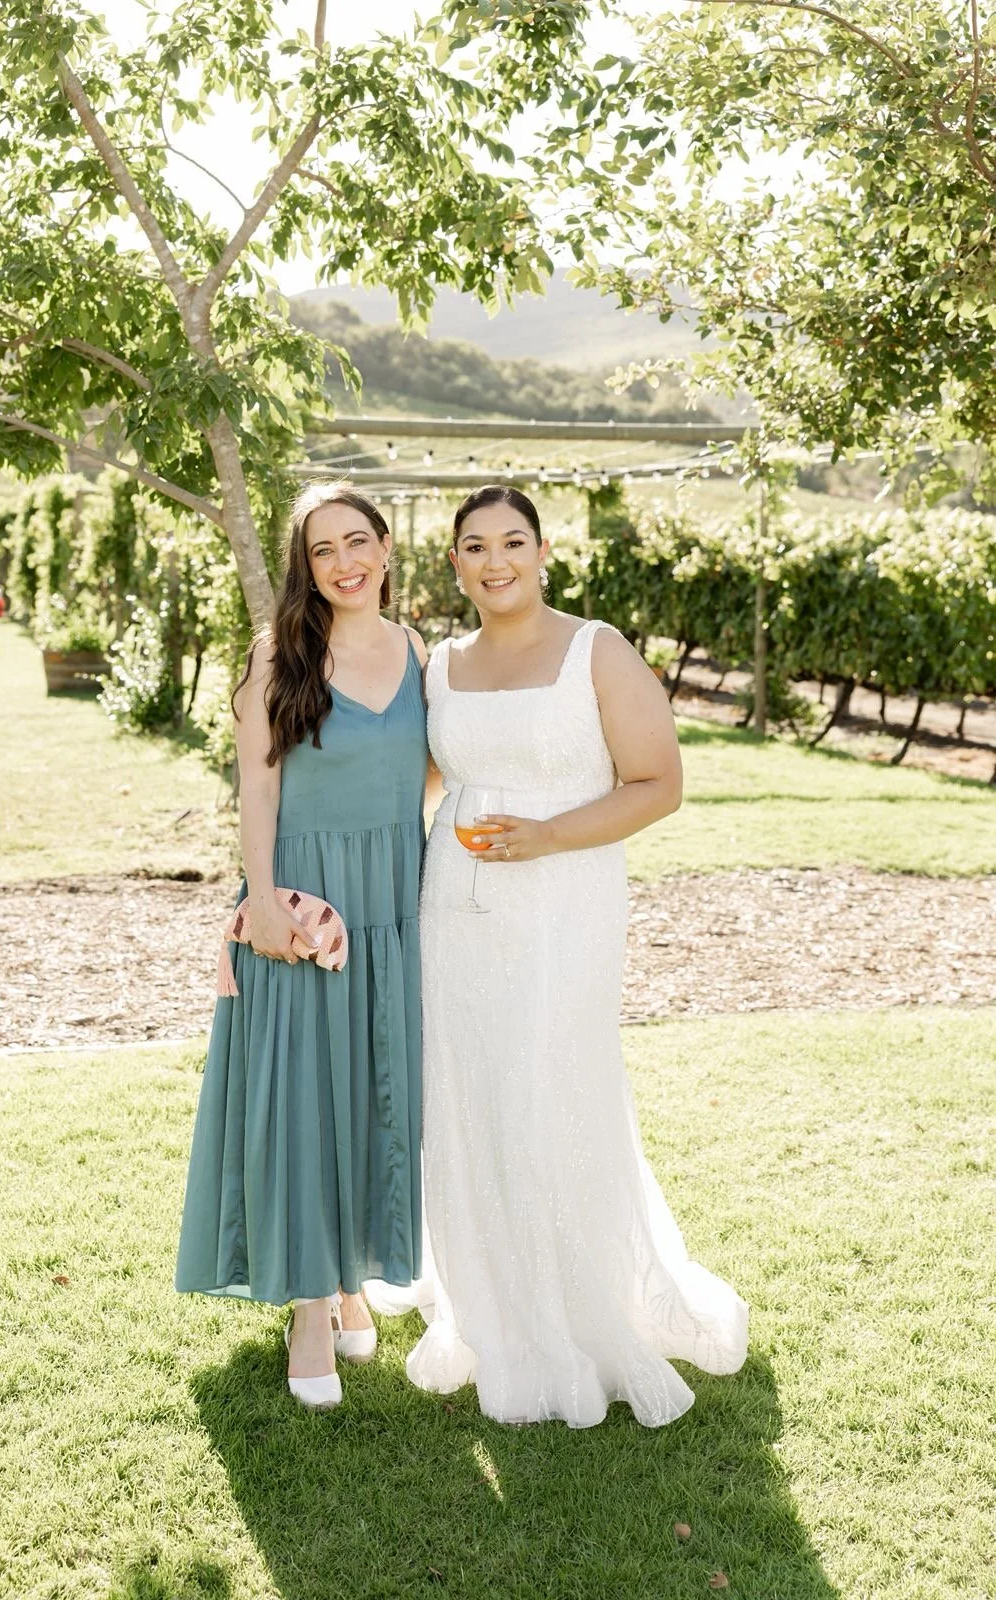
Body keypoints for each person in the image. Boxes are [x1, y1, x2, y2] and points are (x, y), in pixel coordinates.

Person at [407, 484, 748, 1428]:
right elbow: (426, 777)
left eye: (512, 541)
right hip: (457, 910)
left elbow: (659, 783)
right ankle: (488, 1290)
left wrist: (551, 835)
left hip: (563, 905)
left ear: (543, 548)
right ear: (455, 564)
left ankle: (580, 1301)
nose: (495, 560)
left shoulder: (597, 649)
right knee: (471, 1090)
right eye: (474, 546)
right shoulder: (440, 664)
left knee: (551, 1085)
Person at [176, 481, 428, 1411]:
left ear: (388, 548)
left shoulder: (419, 653)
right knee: (304, 1098)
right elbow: (257, 791)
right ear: (303, 566)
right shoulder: (279, 655)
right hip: (304, 907)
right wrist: (266, 908)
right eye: (323, 551)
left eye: (358, 542)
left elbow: (435, 776)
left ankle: (353, 1275)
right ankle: (310, 1310)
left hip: (396, 910)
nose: (344, 563)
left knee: (373, 1094)